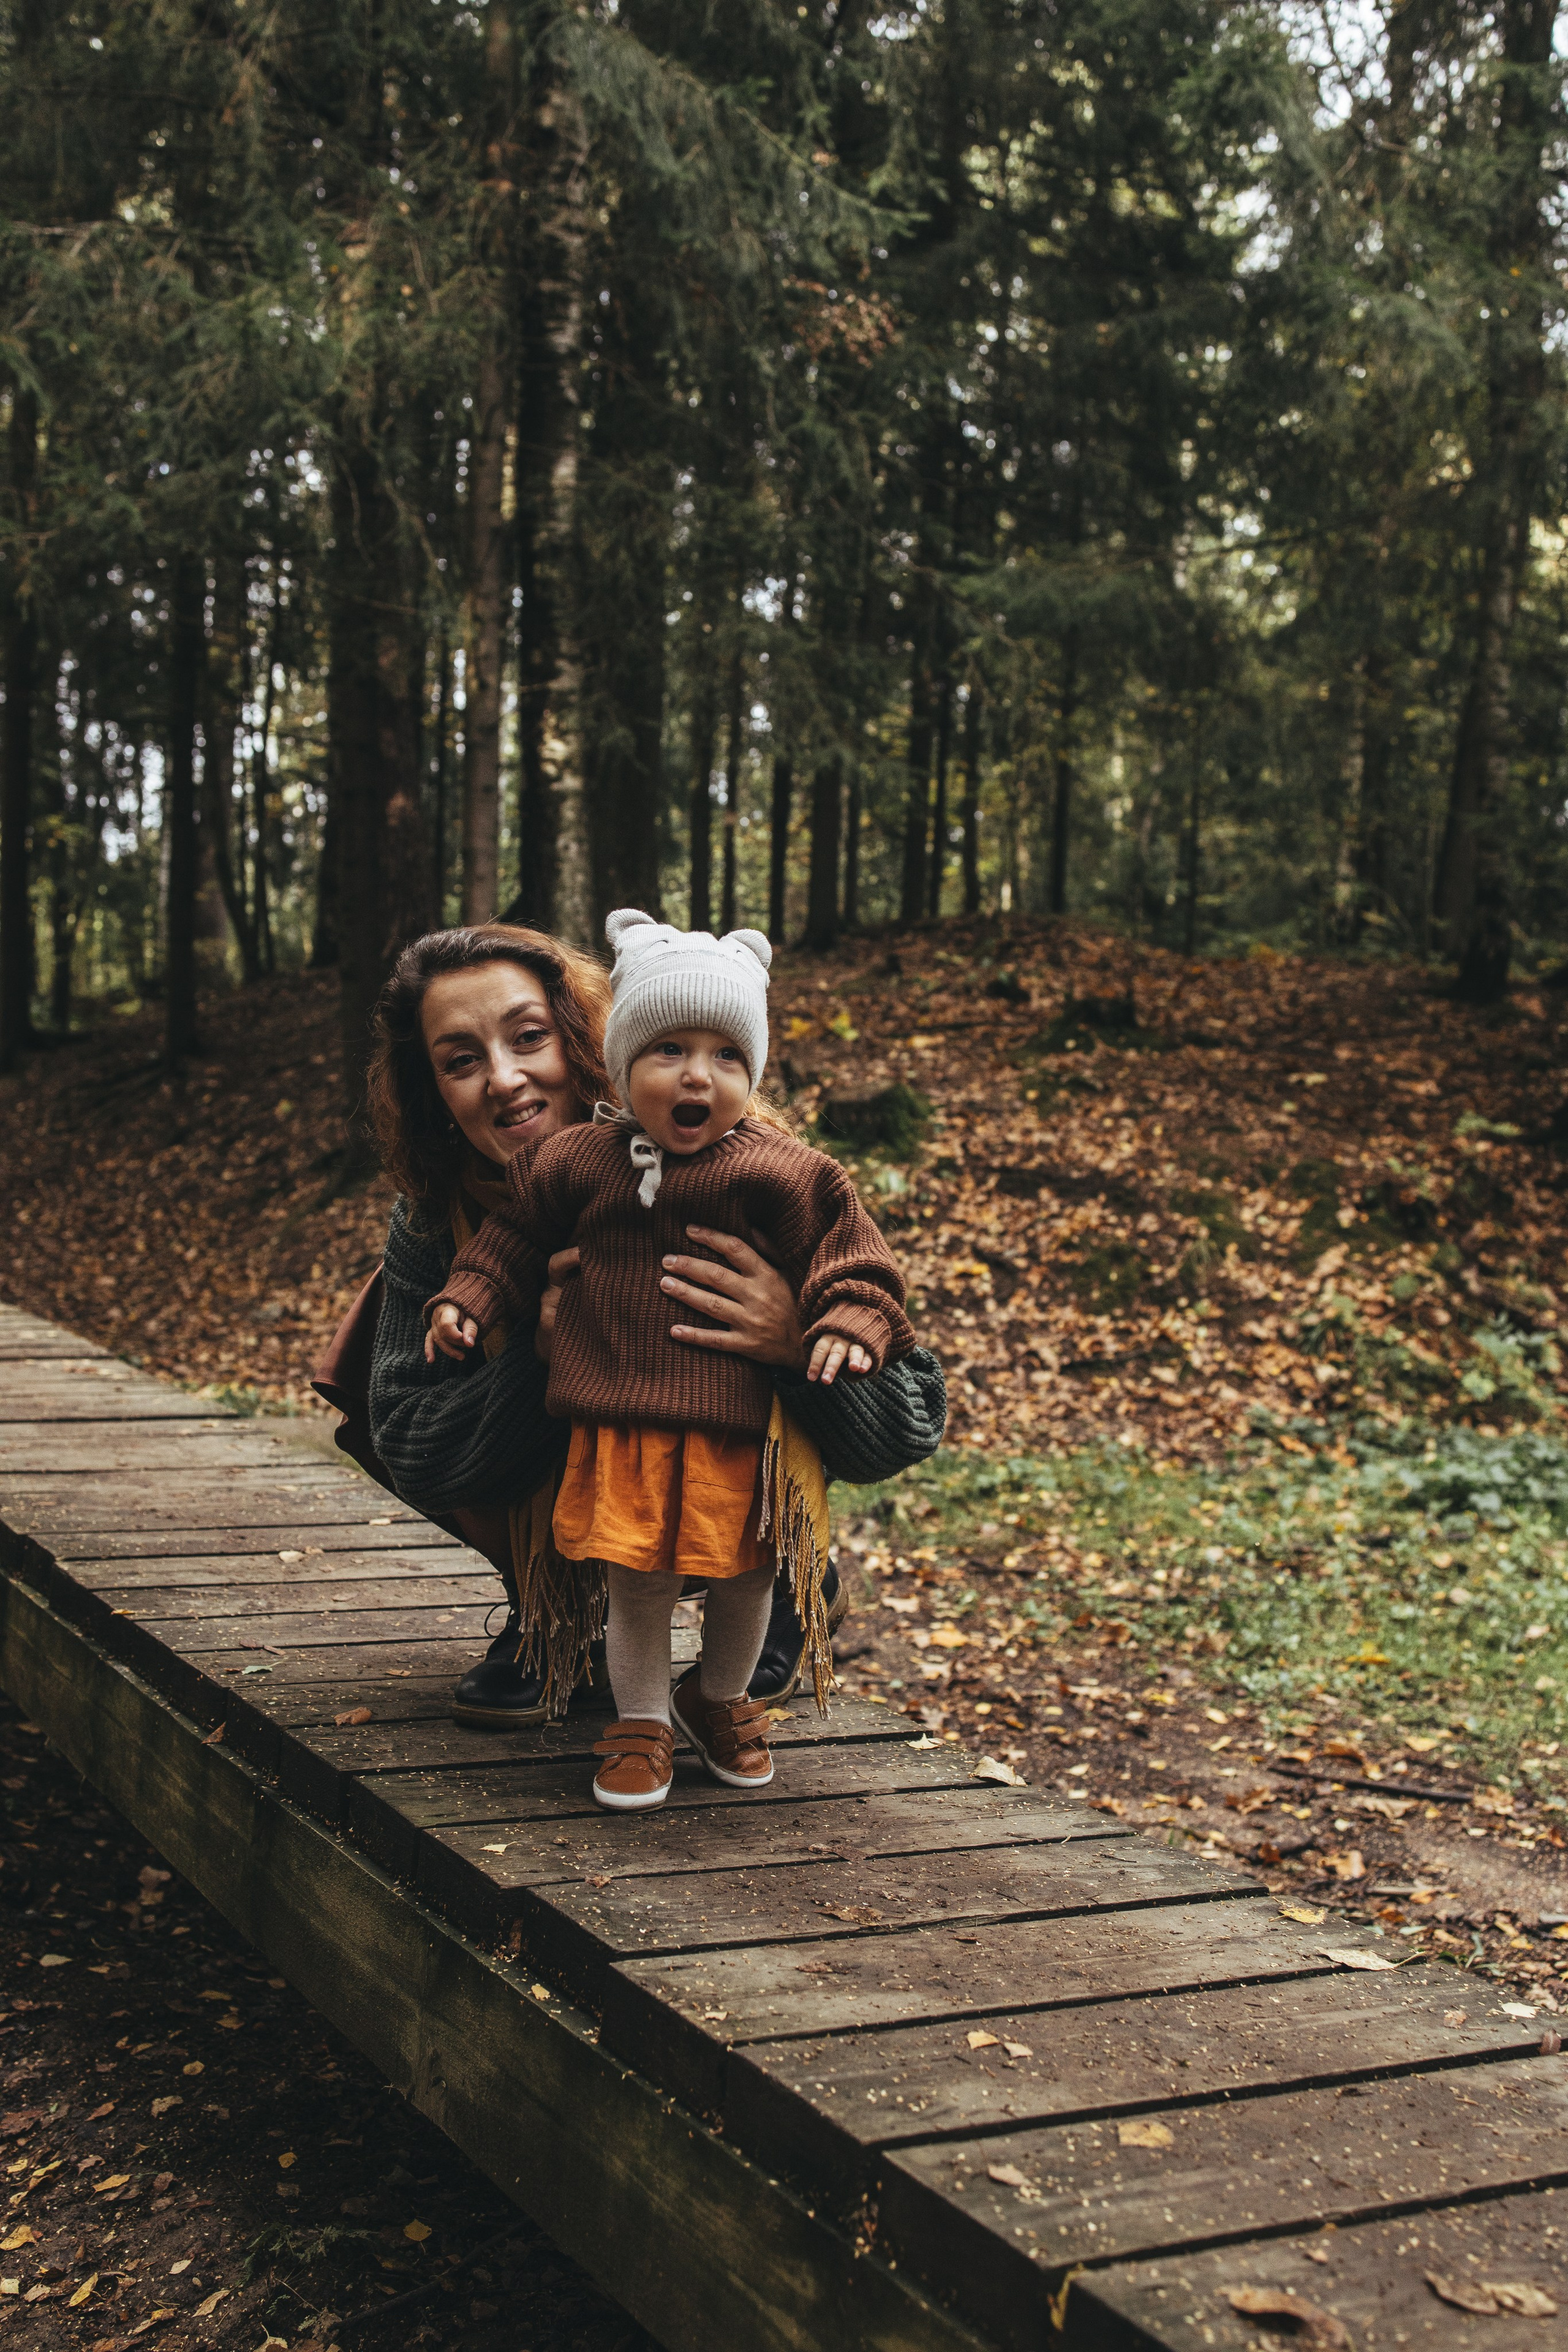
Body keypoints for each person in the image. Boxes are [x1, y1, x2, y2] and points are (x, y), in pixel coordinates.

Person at [353, 920, 946, 1729]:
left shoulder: (748, 1165)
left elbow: (910, 1422)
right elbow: (410, 1444)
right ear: (434, 1093)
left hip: (733, 1472)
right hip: (599, 1472)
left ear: (587, 1038)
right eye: (461, 1061)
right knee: (398, 1356)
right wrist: (542, 1357)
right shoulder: (439, 1217)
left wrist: (791, 1342)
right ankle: (557, 1607)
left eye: (529, 1037)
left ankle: (777, 1581)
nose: (504, 1079)